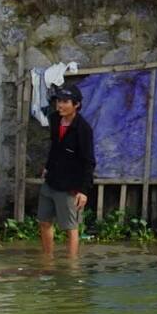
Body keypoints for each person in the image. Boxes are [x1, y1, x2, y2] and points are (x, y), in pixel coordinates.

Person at [38, 83, 94, 252]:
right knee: (44, 221)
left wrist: (83, 190)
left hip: (70, 185)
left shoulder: (83, 129)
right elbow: (55, 146)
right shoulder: (55, 119)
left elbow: (89, 161)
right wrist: (47, 167)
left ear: (76, 105)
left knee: (71, 227)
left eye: (65, 102)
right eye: (58, 101)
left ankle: (72, 267)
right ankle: (48, 260)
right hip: (51, 179)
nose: (60, 105)